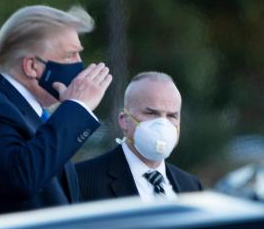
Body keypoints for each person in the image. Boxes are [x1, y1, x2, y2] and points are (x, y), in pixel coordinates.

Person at [0, 5, 111, 223]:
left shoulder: (20, 109)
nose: (80, 66)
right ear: (31, 66)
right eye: (70, 55)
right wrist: (77, 108)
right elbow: (22, 178)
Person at [75, 71, 202, 201]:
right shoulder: (81, 180)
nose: (162, 124)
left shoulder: (191, 187)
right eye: (151, 113)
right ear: (124, 120)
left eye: (171, 116)